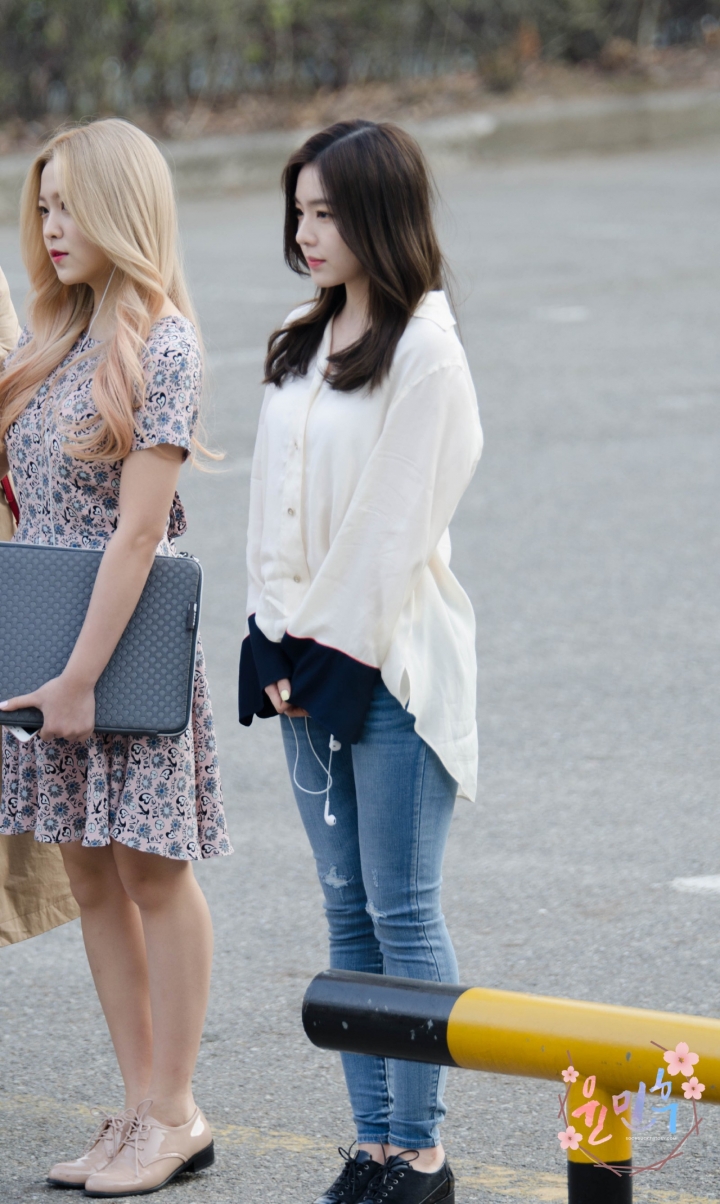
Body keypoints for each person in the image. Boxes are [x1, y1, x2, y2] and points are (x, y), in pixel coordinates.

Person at [240, 120, 482, 1204]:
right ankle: (374, 1146)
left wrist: (319, 654)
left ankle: (421, 1155)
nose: (306, 232)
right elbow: (271, 507)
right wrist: (268, 637)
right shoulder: (302, 337)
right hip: (302, 661)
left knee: (402, 909)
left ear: (380, 214)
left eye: (327, 212)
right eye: (299, 211)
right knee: (345, 910)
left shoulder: (428, 351)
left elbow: (393, 524)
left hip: (393, 668)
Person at [0, 119, 231, 1197]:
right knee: (90, 873)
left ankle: (175, 1110)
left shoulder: (166, 345)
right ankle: (139, 1105)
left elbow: (139, 532)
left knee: (150, 870)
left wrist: (82, 677)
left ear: (122, 209)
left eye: (70, 205)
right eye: (42, 206)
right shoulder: (51, 342)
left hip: (116, 649)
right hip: (48, 641)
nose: (51, 226)